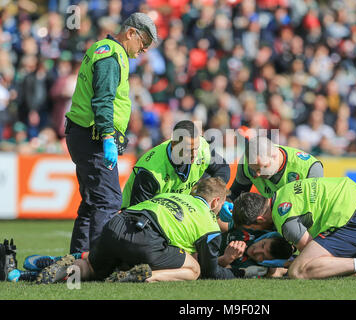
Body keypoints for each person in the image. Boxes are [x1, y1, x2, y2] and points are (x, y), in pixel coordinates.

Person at [33, 178, 260, 284]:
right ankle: (144, 276)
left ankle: (65, 271)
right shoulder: (209, 224)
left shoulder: (171, 195)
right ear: (215, 202)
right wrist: (239, 272)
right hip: (145, 239)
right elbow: (211, 272)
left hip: (116, 226)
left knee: (92, 267)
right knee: (194, 269)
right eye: (221, 205)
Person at [64, 13, 157, 254]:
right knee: (108, 201)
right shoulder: (111, 55)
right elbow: (103, 99)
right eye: (144, 42)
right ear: (130, 34)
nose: (145, 49)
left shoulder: (105, 50)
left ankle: (79, 259)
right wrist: (107, 136)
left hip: (84, 134)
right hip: (93, 135)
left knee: (92, 203)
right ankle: (98, 262)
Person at [232, 177, 356, 280]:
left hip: (355, 225)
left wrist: (281, 268)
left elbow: (311, 257)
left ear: (260, 218)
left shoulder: (284, 221)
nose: (259, 231)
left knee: (298, 271)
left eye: (255, 227)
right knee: (330, 264)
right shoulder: (283, 191)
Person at [229, 136, 323, 201]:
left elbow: (313, 210)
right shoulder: (246, 163)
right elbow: (235, 195)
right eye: (253, 169)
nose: (257, 174)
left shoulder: (310, 169)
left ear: (274, 156)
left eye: (262, 168)